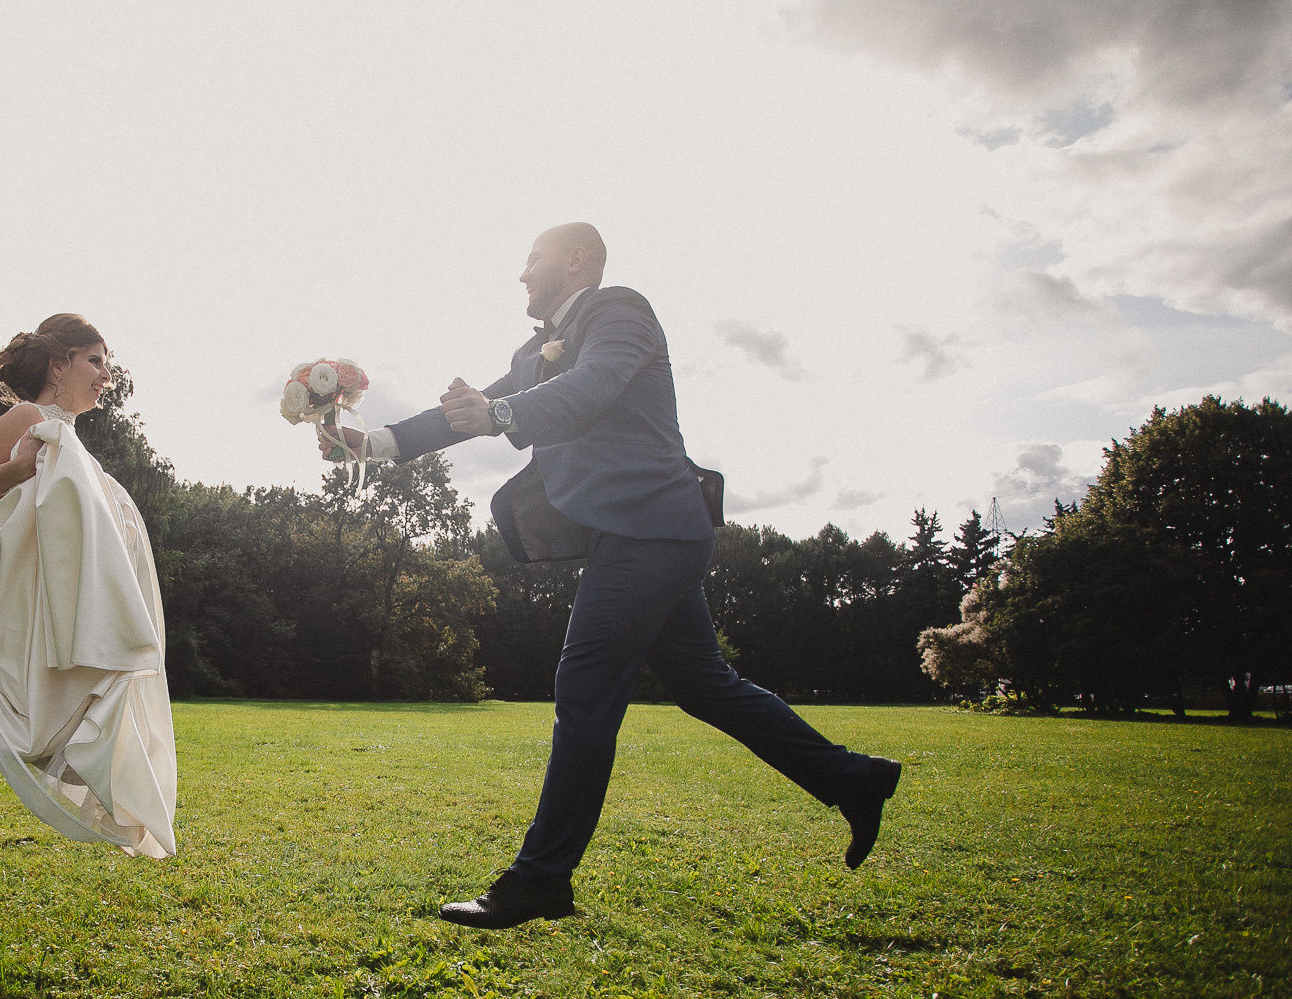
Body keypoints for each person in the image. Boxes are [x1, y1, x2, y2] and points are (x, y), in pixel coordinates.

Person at [322, 224, 901, 928]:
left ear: (576, 260)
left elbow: (591, 388)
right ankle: (856, 778)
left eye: (532, 258)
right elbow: (463, 416)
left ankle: (540, 880)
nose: (522, 274)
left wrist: (502, 411)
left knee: (584, 687)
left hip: (652, 528)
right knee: (705, 686)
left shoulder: (620, 311)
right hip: (640, 536)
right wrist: (370, 442)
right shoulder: (533, 351)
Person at [0, 314, 177, 859]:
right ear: (57, 363)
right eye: (95, 360)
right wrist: (18, 469)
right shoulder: (28, 416)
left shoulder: (72, 438)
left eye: (106, 365)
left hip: (70, 604)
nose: (105, 376)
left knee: (71, 724)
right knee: (64, 728)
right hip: (37, 600)